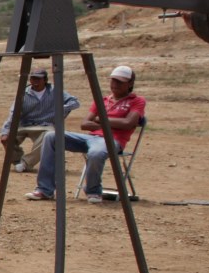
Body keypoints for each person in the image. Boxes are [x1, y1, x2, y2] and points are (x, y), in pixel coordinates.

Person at [27, 65, 145, 204]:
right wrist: (110, 123)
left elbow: (128, 123)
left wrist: (101, 119)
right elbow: (85, 124)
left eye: (120, 81)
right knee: (51, 136)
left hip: (112, 140)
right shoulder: (102, 100)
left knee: (95, 153)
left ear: (130, 83)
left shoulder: (137, 101)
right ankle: (45, 189)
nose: (115, 84)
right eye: (113, 80)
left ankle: (93, 191)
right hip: (90, 137)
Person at [0, 65, 79, 172]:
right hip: (25, 124)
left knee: (49, 136)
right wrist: (5, 131)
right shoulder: (23, 93)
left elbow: (75, 102)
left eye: (38, 79)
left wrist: (61, 108)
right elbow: (13, 113)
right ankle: (17, 161)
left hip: (45, 125)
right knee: (7, 139)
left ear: (45, 80)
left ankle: (26, 163)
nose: (35, 81)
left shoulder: (55, 91)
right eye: (33, 78)